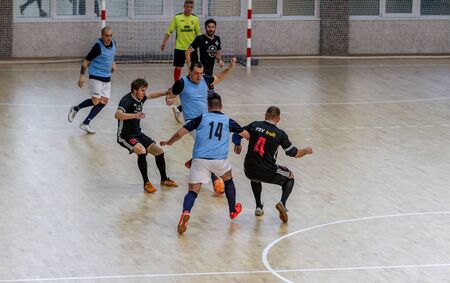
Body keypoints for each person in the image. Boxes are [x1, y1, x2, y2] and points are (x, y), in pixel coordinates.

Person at [160, 93, 250, 234]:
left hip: (199, 160)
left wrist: (169, 142)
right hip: (219, 161)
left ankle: (186, 212)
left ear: (208, 107)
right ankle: (232, 210)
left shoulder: (201, 118)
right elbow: (247, 135)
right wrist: (241, 143)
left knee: (193, 191)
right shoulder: (228, 121)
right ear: (221, 106)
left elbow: (180, 133)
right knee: (228, 180)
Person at [233, 106, 313, 223]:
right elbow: (293, 153)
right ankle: (282, 203)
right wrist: (305, 151)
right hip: (267, 171)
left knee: (255, 176)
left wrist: (237, 143)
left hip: (249, 169)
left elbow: (237, 133)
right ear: (278, 119)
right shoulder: (280, 134)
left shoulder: (254, 125)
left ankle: (259, 207)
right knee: (290, 176)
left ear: (265, 115)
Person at [166, 59, 236, 193]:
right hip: (192, 122)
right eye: (196, 73)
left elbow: (219, 77)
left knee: (215, 142)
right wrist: (169, 100)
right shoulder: (181, 83)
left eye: (201, 73)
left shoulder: (205, 79)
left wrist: (230, 67)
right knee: (208, 146)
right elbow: (171, 95)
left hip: (207, 119)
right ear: (190, 72)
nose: (199, 76)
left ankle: (194, 161)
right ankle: (216, 179)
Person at [115, 78, 178, 193]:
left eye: (145, 90)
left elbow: (151, 95)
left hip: (138, 134)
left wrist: (166, 92)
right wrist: (134, 115)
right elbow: (118, 114)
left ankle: (164, 179)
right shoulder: (126, 100)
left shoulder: (141, 97)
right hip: (125, 136)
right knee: (141, 150)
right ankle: (146, 183)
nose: (144, 93)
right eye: (142, 90)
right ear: (135, 90)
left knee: (159, 151)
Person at [68, 26, 116, 134]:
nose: (109, 38)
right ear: (102, 36)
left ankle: (85, 123)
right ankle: (75, 108)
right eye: (107, 36)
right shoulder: (97, 47)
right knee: (96, 101)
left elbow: (112, 55)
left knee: (104, 101)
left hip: (107, 78)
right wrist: (81, 76)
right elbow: (85, 61)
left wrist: (113, 64)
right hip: (95, 76)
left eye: (111, 35)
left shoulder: (113, 44)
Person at [160, 0, 201, 123]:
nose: (188, 8)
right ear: (184, 7)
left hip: (192, 49)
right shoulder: (177, 18)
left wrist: (200, 46)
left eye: (190, 7)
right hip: (179, 48)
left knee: (193, 69)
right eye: (187, 6)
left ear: (192, 8)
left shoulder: (195, 19)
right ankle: (176, 86)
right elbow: (169, 31)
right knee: (178, 67)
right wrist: (164, 42)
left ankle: (191, 85)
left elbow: (198, 35)